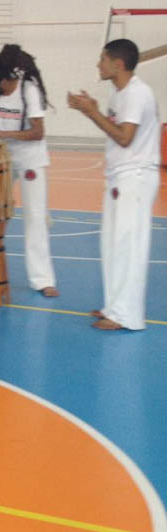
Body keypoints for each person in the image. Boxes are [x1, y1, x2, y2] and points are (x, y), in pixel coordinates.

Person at [68, 39, 161, 330]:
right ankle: (114, 307)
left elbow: (124, 137)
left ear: (117, 64)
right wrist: (94, 109)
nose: (99, 65)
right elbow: (116, 131)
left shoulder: (136, 94)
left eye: (103, 59)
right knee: (112, 244)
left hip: (135, 176)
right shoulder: (119, 93)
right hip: (119, 176)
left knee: (128, 247)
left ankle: (127, 316)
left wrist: (91, 112)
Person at [0, 45, 58, 297]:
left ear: (4, 81)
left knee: (35, 218)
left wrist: (4, 133)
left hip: (31, 159)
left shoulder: (29, 90)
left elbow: (38, 132)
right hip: (1, 159)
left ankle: (43, 280)